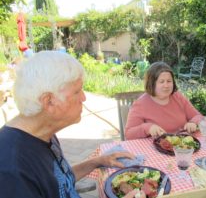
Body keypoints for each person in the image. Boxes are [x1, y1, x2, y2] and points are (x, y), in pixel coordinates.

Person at [0, 51, 142, 198]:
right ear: (49, 101)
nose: (84, 97)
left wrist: (98, 161)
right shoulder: (11, 170)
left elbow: (60, 182)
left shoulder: (43, 134)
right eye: (77, 91)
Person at [125, 61, 203, 140]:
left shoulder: (178, 96)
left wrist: (193, 122)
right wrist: (147, 128)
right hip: (156, 149)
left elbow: (198, 116)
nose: (166, 85)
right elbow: (129, 134)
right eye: (161, 82)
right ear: (152, 83)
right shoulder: (140, 104)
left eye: (169, 81)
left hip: (183, 147)